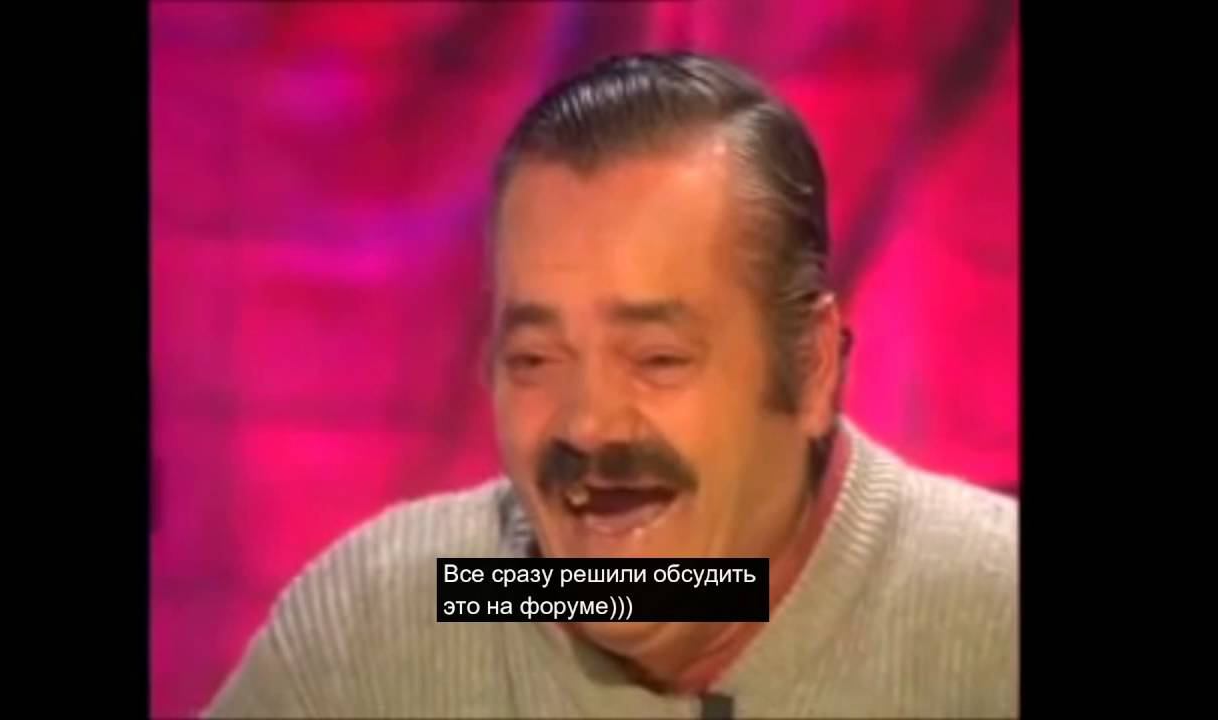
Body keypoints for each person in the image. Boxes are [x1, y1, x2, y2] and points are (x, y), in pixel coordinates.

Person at [204, 52, 1018, 719]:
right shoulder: (386, 620)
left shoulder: (996, 619)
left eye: (657, 358)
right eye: (536, 360)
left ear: (811, 367)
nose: (588, 424)